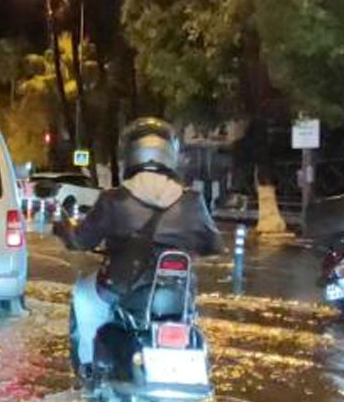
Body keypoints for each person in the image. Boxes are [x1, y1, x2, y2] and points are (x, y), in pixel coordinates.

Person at [54, 118, 223, 382]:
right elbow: (214, 245)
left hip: (123, 287)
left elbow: (81, 241)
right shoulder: (193, 201)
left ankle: (87, 370)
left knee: (83, 295)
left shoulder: (115, 199)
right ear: (170, 154)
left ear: (131, 154)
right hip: (178, 297)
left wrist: (64, 228)